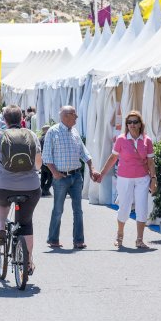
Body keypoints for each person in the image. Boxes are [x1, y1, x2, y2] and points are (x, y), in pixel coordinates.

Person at [0, 105, 42, 273]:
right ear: (22, 119)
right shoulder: (31, 135)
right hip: (31, 188)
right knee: (26, 223)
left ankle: (0, 227)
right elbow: (38, 163)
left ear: (4, 120)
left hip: (4, 187)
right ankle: (28, 261)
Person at [42, 105, 100, 250]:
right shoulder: (53, 132)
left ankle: (78, 240)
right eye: (74, 114)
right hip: (61, 177)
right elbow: (46, 156)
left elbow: (84, 152)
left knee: (78, 210)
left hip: (76, 176)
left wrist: (92, 168)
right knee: (58, 209)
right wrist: (54, 172)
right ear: (66, 115)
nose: (77, 117)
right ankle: (53, 239)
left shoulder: (74, 132)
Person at [98, 110, 157, 249]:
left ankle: (140, 239)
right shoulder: (121, 139)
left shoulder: (147, 140)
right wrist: (102, 174)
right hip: (125, 178)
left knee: (142, 208)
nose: (132, 124)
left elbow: (150, 161)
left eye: (135, 122)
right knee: (124, 207)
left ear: (140, 124)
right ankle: (119, 236)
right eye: (129, 122)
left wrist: (153, 178)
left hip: (142, 178)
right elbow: (113, 158)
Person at [38, 125, 53, 197]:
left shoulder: (39, 138)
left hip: (41, 159)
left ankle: (43, 190)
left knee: (44, 176)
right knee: (51, 176)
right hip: (48, 159)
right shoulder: (47, 138)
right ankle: (45, 189)